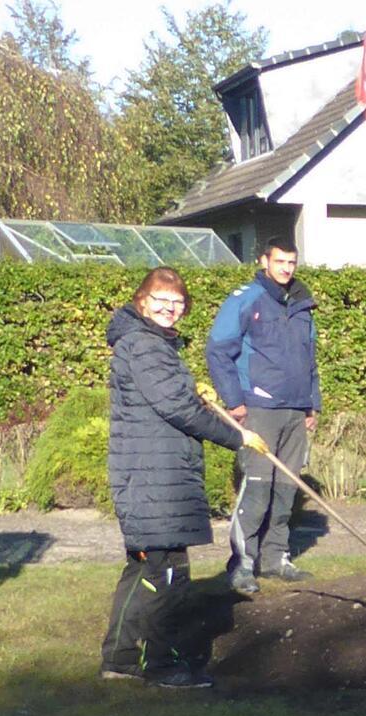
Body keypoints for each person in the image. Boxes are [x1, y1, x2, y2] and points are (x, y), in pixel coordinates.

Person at [101, 266, 262, 690]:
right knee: (167, 574)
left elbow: (173, 399)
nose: (170, 309)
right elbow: (178, 409)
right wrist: (237, 436)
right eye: (161, 300)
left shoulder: (148, 344)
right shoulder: (146, 346)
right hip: (155, 479)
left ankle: (119, 658)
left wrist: (198, 394)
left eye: (177, 303)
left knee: (143, 568)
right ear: (142, 302)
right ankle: (163, 664)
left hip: (152, 474)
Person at [206, 236, 319, 597]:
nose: (286, 268)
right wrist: (234, 401)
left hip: (294, 411)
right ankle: (241, 564)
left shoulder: (302, 305)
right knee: (256, 490)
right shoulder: (247, 299)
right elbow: (218, 349)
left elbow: (309, 359)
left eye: (292, 262)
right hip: (258, 410)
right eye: (280, 261)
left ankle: (276, 559)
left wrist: (311, 404)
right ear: (264, 261)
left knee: (286, 491)